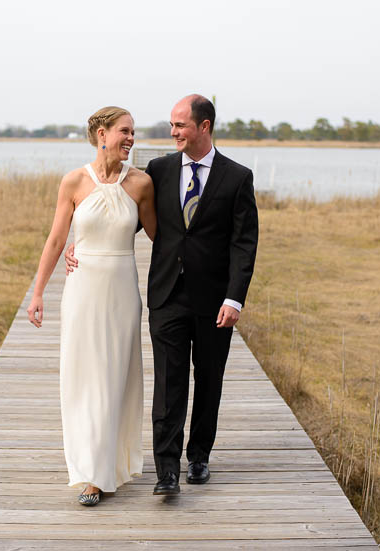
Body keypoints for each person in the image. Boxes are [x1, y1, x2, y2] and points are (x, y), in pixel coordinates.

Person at [67, 95, 258, 495]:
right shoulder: (159, 170)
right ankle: (167, 470)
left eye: (180, 126)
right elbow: (126, 218)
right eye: (171, 125)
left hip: (214, 300)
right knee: (169, 382)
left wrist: (234, 298)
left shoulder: (237, 177)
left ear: (204, 127)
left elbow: (244, 244)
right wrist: (81, 243)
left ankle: (199, 456)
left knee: (209, 379)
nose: (172, 132)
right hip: (166, 294)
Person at [27, 106, 156, 506]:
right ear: (102, 133)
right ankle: (90, 472)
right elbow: (54, 241)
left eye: (133, 132)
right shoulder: (74, 181)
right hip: (82, 290)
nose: (131, 138)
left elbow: (162, 239)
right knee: (83, 378)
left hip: (121, 291)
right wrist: (37, 293)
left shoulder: (141, 184)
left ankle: (110, 467)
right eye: (124, 131)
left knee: (115, 377)